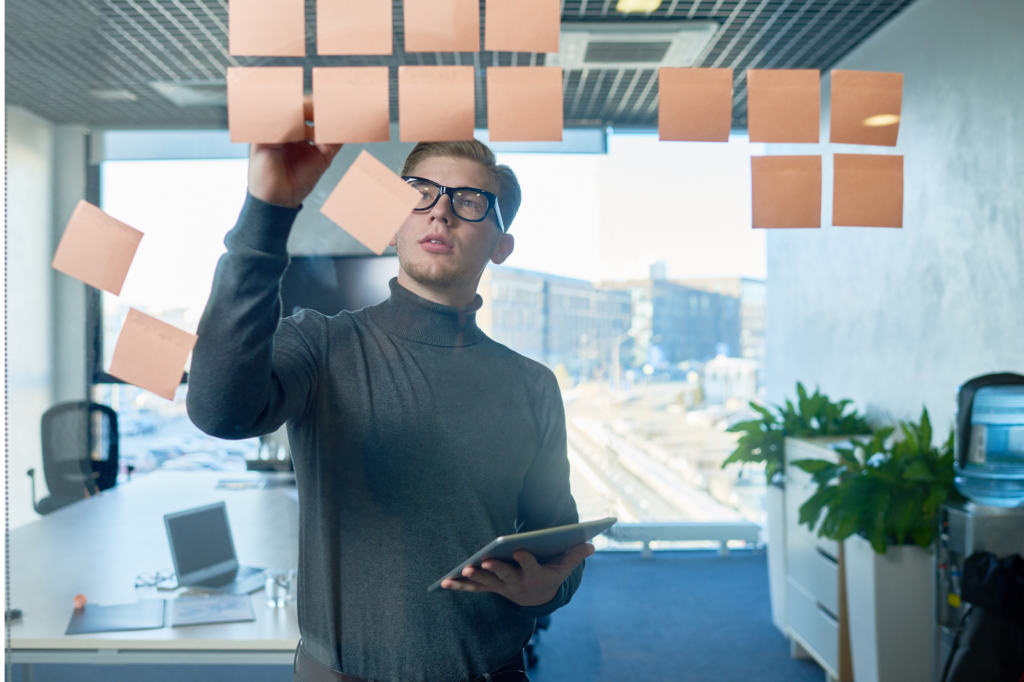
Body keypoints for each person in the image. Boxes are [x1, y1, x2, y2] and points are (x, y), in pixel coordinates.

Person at [186, 102, 593, 682]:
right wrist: (268, 213)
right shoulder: (322, 345)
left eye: (470, 201)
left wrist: (547, 589)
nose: (441, 213)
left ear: (502, 245)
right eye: (420, 192)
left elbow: (560, 541)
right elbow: (218, 411)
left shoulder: (531, 385)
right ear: (394, 219)